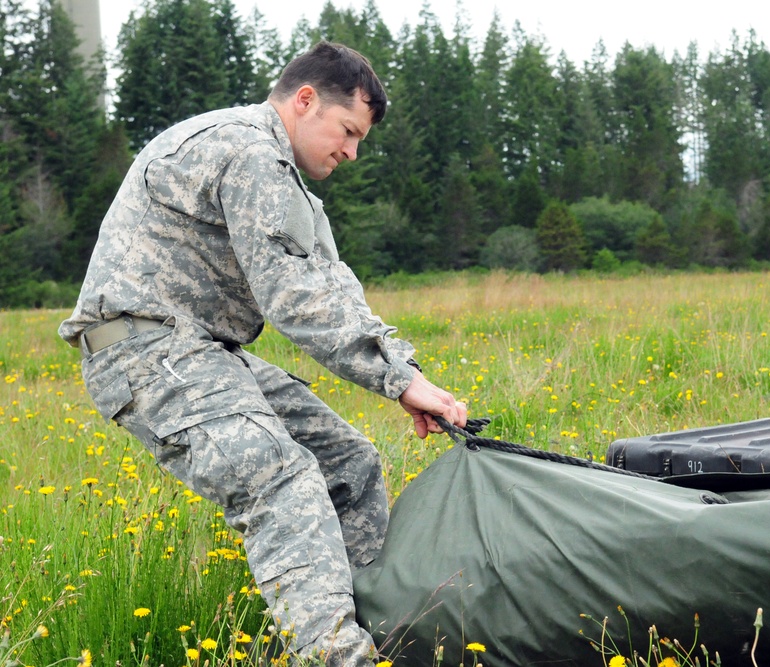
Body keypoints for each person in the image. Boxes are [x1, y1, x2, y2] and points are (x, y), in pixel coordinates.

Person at [58, 41, 467, 666]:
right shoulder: (246, 150)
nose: (352, 152)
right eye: (349, 131)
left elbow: (330, 283)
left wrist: (406, 374)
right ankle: (336, 656)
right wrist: (396, 384)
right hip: (143, 350)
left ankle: (373, 631)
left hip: (201, 350)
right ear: (305, 100)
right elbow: (295, 296)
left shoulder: (279, 174)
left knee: (348, 463)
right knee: (282, 480)